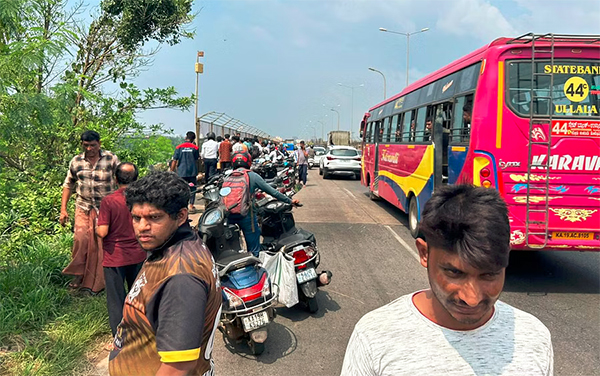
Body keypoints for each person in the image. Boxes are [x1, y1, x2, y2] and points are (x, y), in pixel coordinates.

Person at [341, 185, 553, 376]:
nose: (472, 298)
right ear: (424, 254)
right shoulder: (374, 336)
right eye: (454, 273)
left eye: (489, 275)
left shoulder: (534, 338)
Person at [108, 171, 222, 376]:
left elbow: (177, 368)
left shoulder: (180, 277)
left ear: (180, 216)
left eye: (154, 217)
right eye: (136, 218)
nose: (142, 227)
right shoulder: (178, 245)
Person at [60, 130, 120, 294]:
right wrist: (63, 210)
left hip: (106, 208)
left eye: (92, 145)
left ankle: (104, 278)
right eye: (86, 145)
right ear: (82, 145)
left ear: (99, 144)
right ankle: (79, 275)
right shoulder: (76, 161)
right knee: (81, 240)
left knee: (103, 242)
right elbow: (68, 184)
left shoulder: (111, 159)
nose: (89, 149)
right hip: (84, 206)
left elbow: (122, 181)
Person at [96, 162, 146, 340]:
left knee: (116, 300)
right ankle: (141, 332)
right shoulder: (142, 199)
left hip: (115, 257)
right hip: (139, 254)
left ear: (115, 179)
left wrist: (95, 225)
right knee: (139, 296)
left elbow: (102, 231)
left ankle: (120, 338)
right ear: (137, 178)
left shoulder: (109, 201)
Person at [227, 151, 299, 257]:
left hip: (229, 215)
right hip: (247, 216)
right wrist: (290, 201)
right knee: (254, 248)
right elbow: (273, 192)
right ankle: (255, 268)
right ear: (249, 162)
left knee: (232, 250)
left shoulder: (228, 177)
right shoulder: (252, 176)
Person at [171, 131, 200, 213]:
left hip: (181, 172)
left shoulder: (178, 147)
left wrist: (171, 171)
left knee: (181, 188)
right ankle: (191, 205)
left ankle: (182, 206)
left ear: (186, 137)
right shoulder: (195, 148)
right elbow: (197, 159)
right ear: (193, 139)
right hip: (192, 172)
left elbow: (174, 160)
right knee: (192, 188)